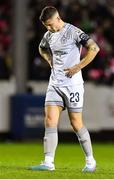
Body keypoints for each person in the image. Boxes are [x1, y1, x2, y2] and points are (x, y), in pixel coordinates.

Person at [29, 6, 100, 172]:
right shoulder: (49, 35)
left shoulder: (74, 32)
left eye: (50, 24)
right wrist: (49, 60)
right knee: (49, 121)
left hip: (72, 85)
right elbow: (42, 48)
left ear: (57, 18)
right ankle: (48, 162)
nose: (48, 28)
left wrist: (78, 66)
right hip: (55, 84)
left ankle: (90, 161)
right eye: (46, 26)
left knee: (76, 123)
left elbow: (94, 48)